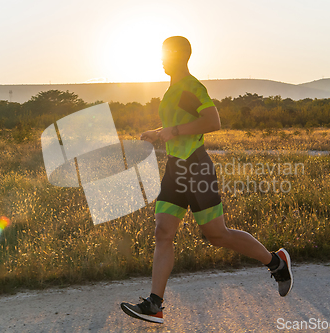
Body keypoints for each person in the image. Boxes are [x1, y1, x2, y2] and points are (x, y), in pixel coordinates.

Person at [120, 36, 293, 324]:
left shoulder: (191, 87)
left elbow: (213, 121)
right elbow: (183, 124)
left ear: (178, 56)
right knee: (163, 231)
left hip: (197, 167)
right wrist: (159, 131)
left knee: (217, 235)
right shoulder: (174, 89)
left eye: (165, 54)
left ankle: (276, 263)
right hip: (176, 169)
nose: (161, 59)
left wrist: (173, 130)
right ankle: (155, 304)